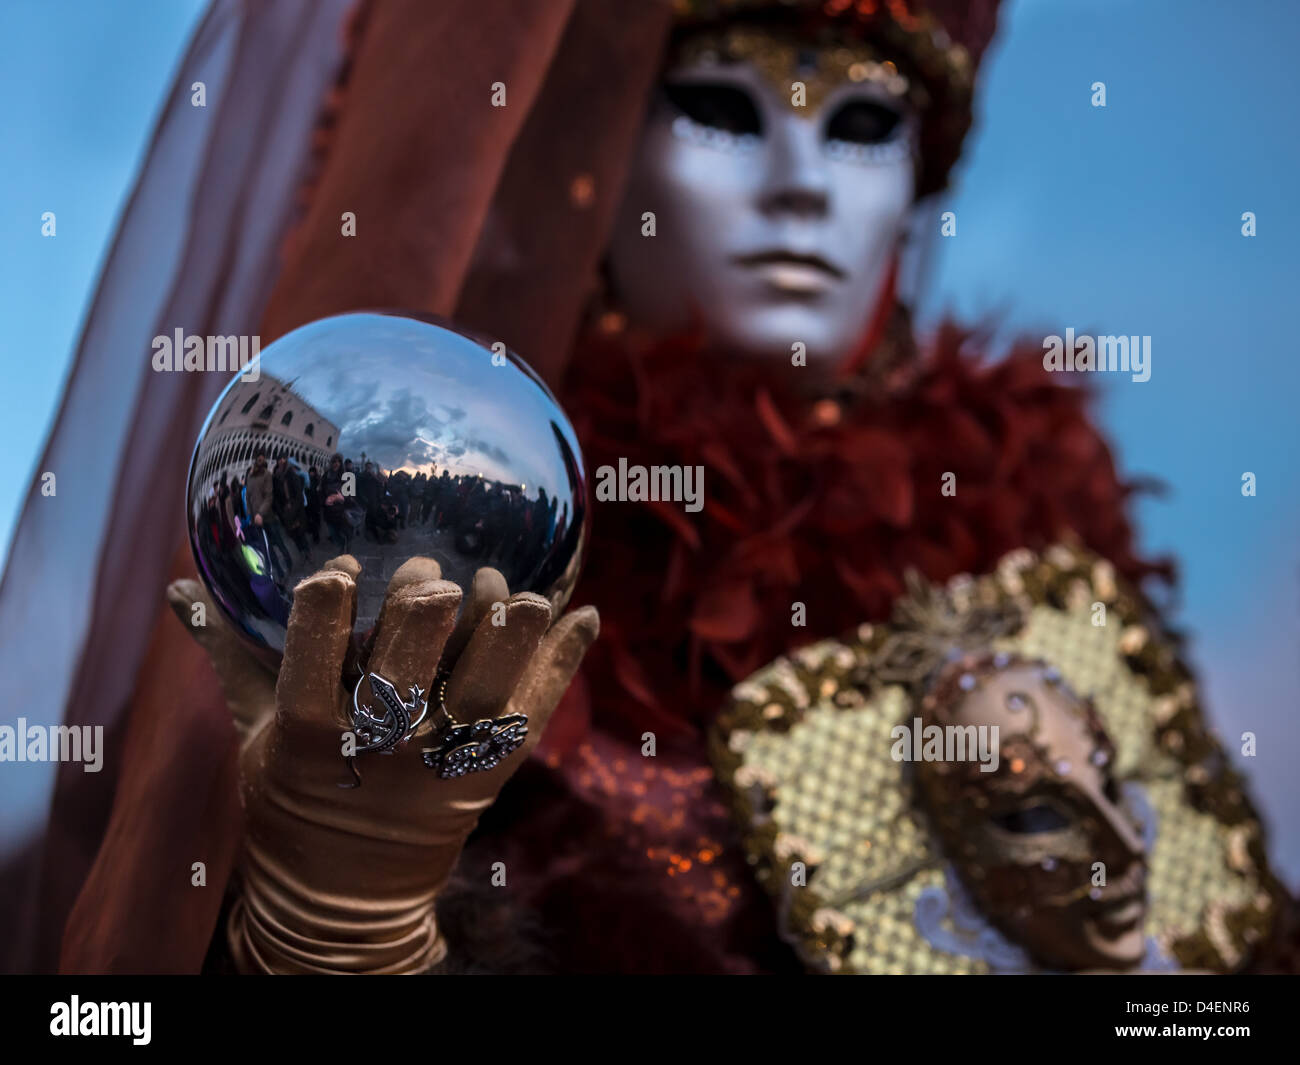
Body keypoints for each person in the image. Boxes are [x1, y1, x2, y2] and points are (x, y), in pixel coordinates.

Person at [15, 0, 1290, 975]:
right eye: (723, 110)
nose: (798, 182)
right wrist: (341, 914)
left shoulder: (1041, 537)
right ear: (595, 153)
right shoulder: (448, 536)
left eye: (860, 125)